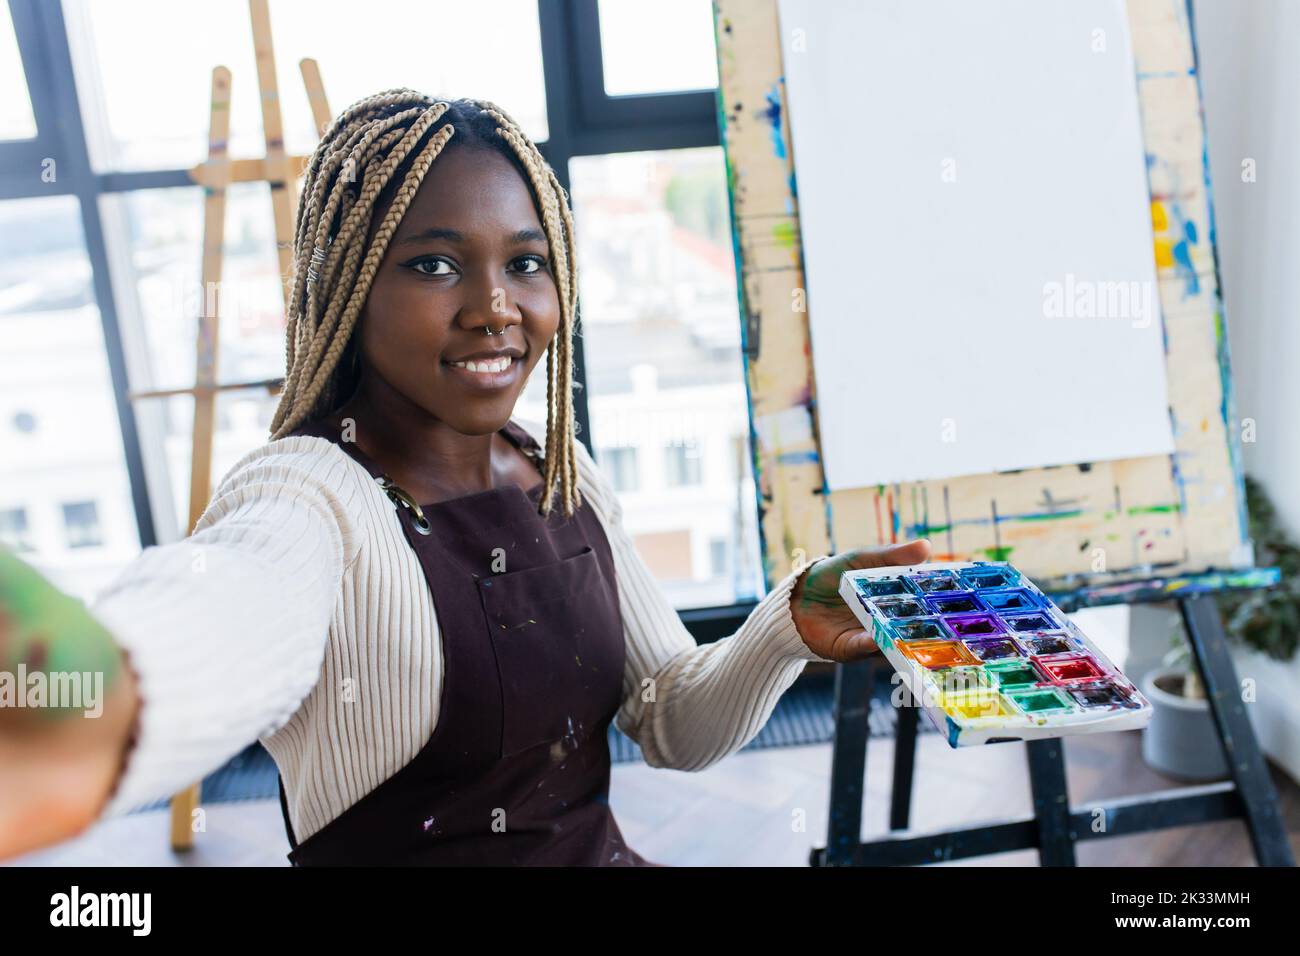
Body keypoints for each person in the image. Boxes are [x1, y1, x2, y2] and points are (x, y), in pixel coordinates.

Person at [0, 91, 930, 866]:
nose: (496, 309)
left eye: (526, 264)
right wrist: (90, 699)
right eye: (435, 265)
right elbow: (228, 612)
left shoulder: (557, 470)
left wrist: (784, 626)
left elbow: (672, 724)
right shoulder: (308, 496)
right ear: (348, 290)